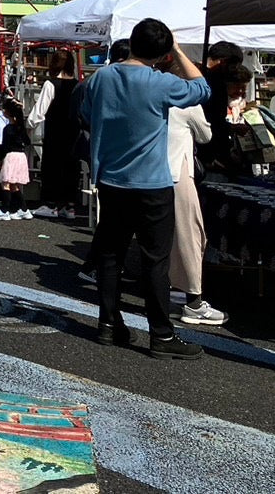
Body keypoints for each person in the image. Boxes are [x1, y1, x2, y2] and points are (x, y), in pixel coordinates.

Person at [79, 18, 210, 360]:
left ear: (132, 41)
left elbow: (84, 112)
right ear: (163, 53)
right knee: (155, 260)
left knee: (111, 255)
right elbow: (202, 89)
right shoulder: (161, 83)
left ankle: (108, 323)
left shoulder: (101, 78)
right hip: (152, 182)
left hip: (110, 179)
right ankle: (161, 335)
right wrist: (179, 52)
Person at [166, 103, 226, 326]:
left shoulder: (151, 95)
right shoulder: (187, 104)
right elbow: (205, 135)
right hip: (178, 174)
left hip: (149, 173)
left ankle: (169, 295)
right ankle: (193, 302)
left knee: (161, 239)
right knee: (191, 235)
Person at [30, 51, 81, 218]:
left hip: (54, 131)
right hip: (73, 131)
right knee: (71, 167)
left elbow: (39, 112)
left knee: (52, 167)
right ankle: (69, 205)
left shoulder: (50, 84)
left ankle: (50, 204)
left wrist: (28, 124)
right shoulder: (77, 84)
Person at [197, 41, 243, 176]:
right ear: (224, 62)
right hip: (209, 151)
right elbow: (212, 120)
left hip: (211, 147)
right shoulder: (211, 83)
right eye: (234, 65)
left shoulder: (209, 80)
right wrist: (232, 128)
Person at [0, 100, 33, 220]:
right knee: (14, 184)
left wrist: (0, 159)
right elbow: (28, 142)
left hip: (10, 157)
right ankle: (24, 209)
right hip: (21, 157)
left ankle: (5, 210)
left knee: (6, 183)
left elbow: (5, 146)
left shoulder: (8, 129)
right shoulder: (21, 128)